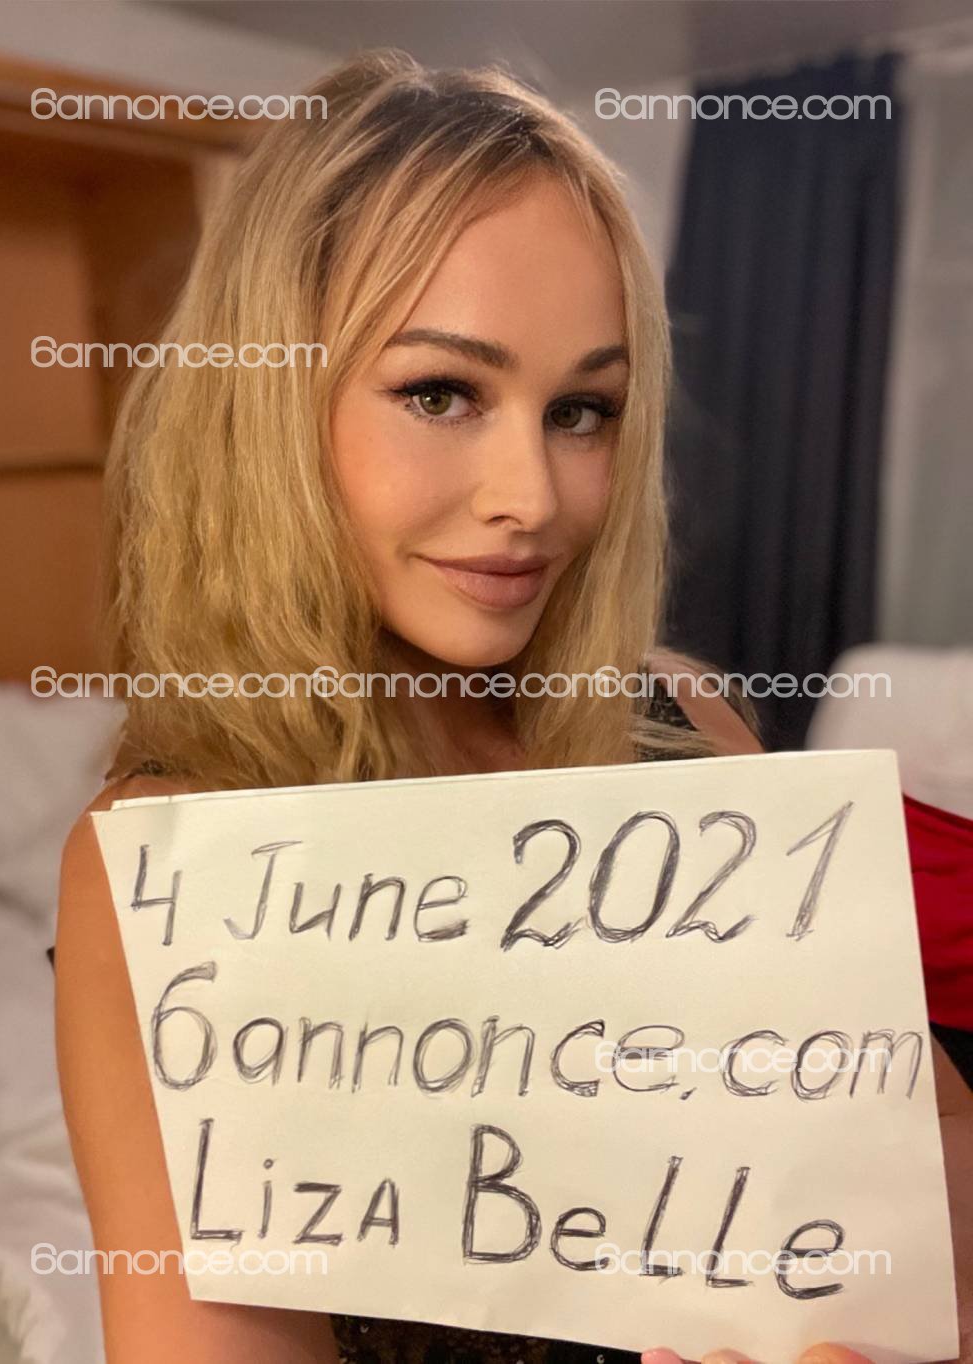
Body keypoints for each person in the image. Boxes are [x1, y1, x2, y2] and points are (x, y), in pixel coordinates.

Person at [53, 48, 971, 1364]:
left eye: (582, 411)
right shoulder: (169, 862)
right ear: (269, 406)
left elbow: (923, 1156)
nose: (532, 497)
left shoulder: (681, 718)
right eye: (440, 394)